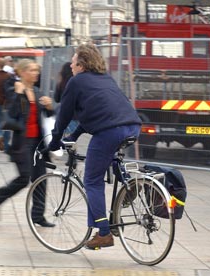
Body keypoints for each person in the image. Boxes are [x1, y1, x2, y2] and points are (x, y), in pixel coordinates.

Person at [47, 44, 142, 249]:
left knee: (92, 179)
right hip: (133, 126)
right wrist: (75, 134)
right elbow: (101, 111)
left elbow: (63, 115)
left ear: (81, 65)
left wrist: (55, 140)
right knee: (110, 161)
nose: (71, 66)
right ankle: (129, 184)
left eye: (73, 62)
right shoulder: (105, 79)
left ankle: (104, 233)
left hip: (110, 131)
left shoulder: (77, 81)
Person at [0, 59, 55, 227]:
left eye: (36, 70)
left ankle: (38, 216)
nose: (36, 73)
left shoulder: (38, 92)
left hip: (38, 143)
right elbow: (11, 114)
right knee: (25, 178)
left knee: (41, 178)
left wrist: (49, 107)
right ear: (23, 72)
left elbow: (48, 116)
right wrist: (18, 95)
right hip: (22, 143)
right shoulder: (14, 90)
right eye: (32, 70)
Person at [53, 61, 78, 137]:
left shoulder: (61, 83)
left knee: (63, 138)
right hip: (75, 115)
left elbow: (56, 99)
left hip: (62, 114)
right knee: (72, 139)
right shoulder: (77, 83)